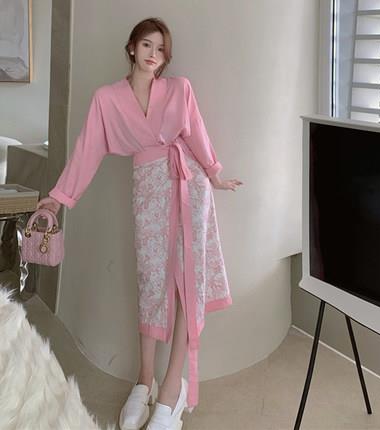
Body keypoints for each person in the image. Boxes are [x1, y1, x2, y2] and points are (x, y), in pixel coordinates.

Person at [36, 17, 243, 430]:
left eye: (161, 49)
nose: (154, 54)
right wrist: (59, 198)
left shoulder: (179, 89)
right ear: (132, 47)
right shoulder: (107, 99)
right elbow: (86, 150)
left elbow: (197, 132)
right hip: (148, 187)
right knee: (152, 281)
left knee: (187, 283)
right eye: (147, 45)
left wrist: (215, 173)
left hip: (189, 185)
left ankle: (172, 387)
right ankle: (144, 380)